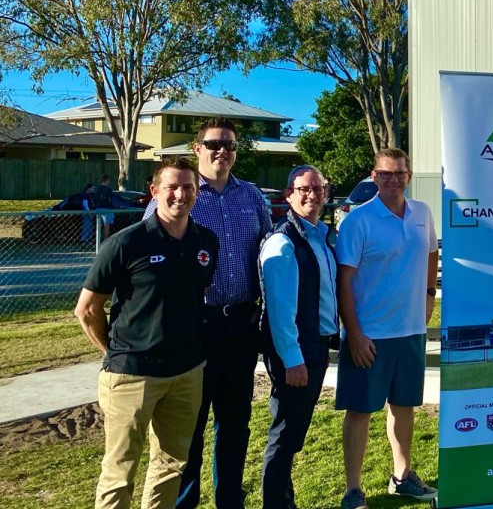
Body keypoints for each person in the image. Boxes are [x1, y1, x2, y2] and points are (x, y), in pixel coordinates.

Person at [74, 157, 218, 509]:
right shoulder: (127, 243)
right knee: (119, 471)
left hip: (186, 374)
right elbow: (87, 310)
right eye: (172, 187)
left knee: (171, 464)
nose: (180, 195)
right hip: (132, 374)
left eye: (188, 187)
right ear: (155, 192)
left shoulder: (205, 241)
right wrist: (115, 352)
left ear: (197, 192)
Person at [144, 117, 272, 509]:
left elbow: (268, 252)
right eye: (214, 143)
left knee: (235, 424)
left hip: (241, 324)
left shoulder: (251, 196)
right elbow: (149, 261)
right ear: (197, 148)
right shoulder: (177, 195)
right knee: (190, 426)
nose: (222, 151)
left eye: (230, 145)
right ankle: (185, 503)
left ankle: (229, 500)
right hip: (194, 327)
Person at [336, 148, 439, 509]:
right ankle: (353, 489)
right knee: (361, 410)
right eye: (385, 174)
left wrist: (429, 294)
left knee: (404, 405)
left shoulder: (422, 213)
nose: (393, 180)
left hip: (410, 331)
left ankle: (402, 476)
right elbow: (344, 282)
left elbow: (430, 252)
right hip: (370, 335)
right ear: (373, 176)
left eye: (399, 173)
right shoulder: (357, 221)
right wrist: (355, 334)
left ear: (409, 176)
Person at [259, 165, 339, 509]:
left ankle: (284, 499)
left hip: (317, 345)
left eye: (318, 188)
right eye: (303, 189)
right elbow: (279, 312)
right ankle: (275, 504)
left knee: (294, 432)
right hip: (296, 352)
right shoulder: (283, 243)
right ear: (289, 195)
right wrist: (293, 360)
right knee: (285, 432)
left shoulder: (320, 235)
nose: (312, 194)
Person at [96, 174, 116, 239]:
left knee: (98, 225)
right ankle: (105, 239)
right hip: (107, 208)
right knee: (106, 225)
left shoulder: (97, 189)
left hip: (98, 208)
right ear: (107, 181)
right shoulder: (108, 190)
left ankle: (98, 239)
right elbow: (110, 199)